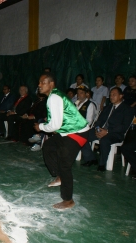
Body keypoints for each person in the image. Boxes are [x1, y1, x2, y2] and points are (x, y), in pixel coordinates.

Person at [34, 72, 89, 209]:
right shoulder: (55, 95)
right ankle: (59, 176)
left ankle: (68, 199)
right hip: (68, 131)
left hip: (77, 133)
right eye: (39, 82)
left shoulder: (54, 97)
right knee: (49, 146)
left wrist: (40, 126)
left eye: (43, 82)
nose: (39, 85)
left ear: (51, 84)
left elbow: (56, 126)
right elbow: (60, 118)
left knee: (65, 164)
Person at [81, 87, 134, 171]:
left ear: (121, 96)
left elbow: (124, 126)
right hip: (101, 130)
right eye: (110, 95)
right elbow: (99, 121)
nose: (111, 97)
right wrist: (97, 129)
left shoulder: (127, 109)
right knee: (82, 136)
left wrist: (107, 131)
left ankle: (102, 164)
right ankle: (90, 159)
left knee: (105, 140)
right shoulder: (107, 107)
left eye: (114, 95)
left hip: (115, 133)